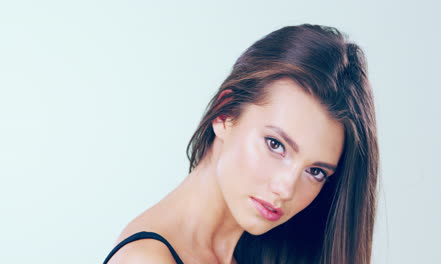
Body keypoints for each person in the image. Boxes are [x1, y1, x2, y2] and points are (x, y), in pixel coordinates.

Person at [102, 23, 379, 264]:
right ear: (225, 114)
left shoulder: (250, 253)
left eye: (316, 172)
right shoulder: (146, 259)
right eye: (275, 144)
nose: (285, 188)